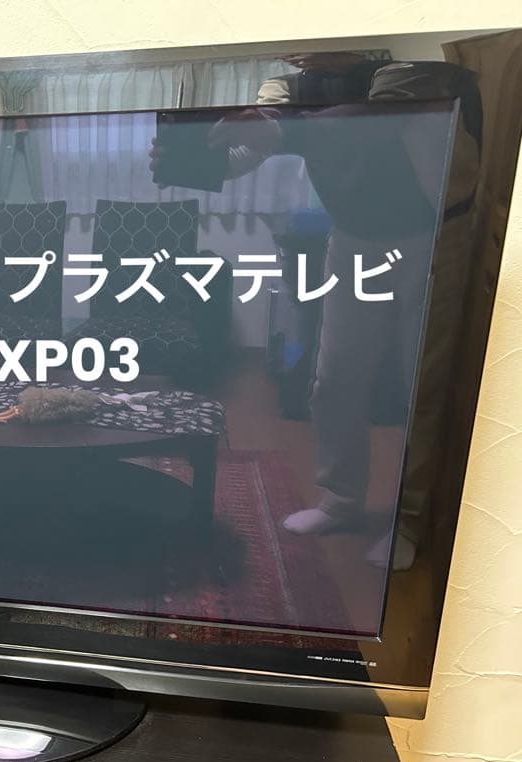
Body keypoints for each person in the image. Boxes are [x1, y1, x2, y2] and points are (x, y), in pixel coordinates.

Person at [151, 53, 480, 571]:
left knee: (421, 388)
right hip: (352, 240)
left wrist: (279, 131)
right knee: (335, 379)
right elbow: (246, 149)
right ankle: (341, 500)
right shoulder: (288, 88)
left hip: (431, 239)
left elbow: (367, 125)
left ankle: (412, 522)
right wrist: (184, 163)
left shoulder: (407, 73)